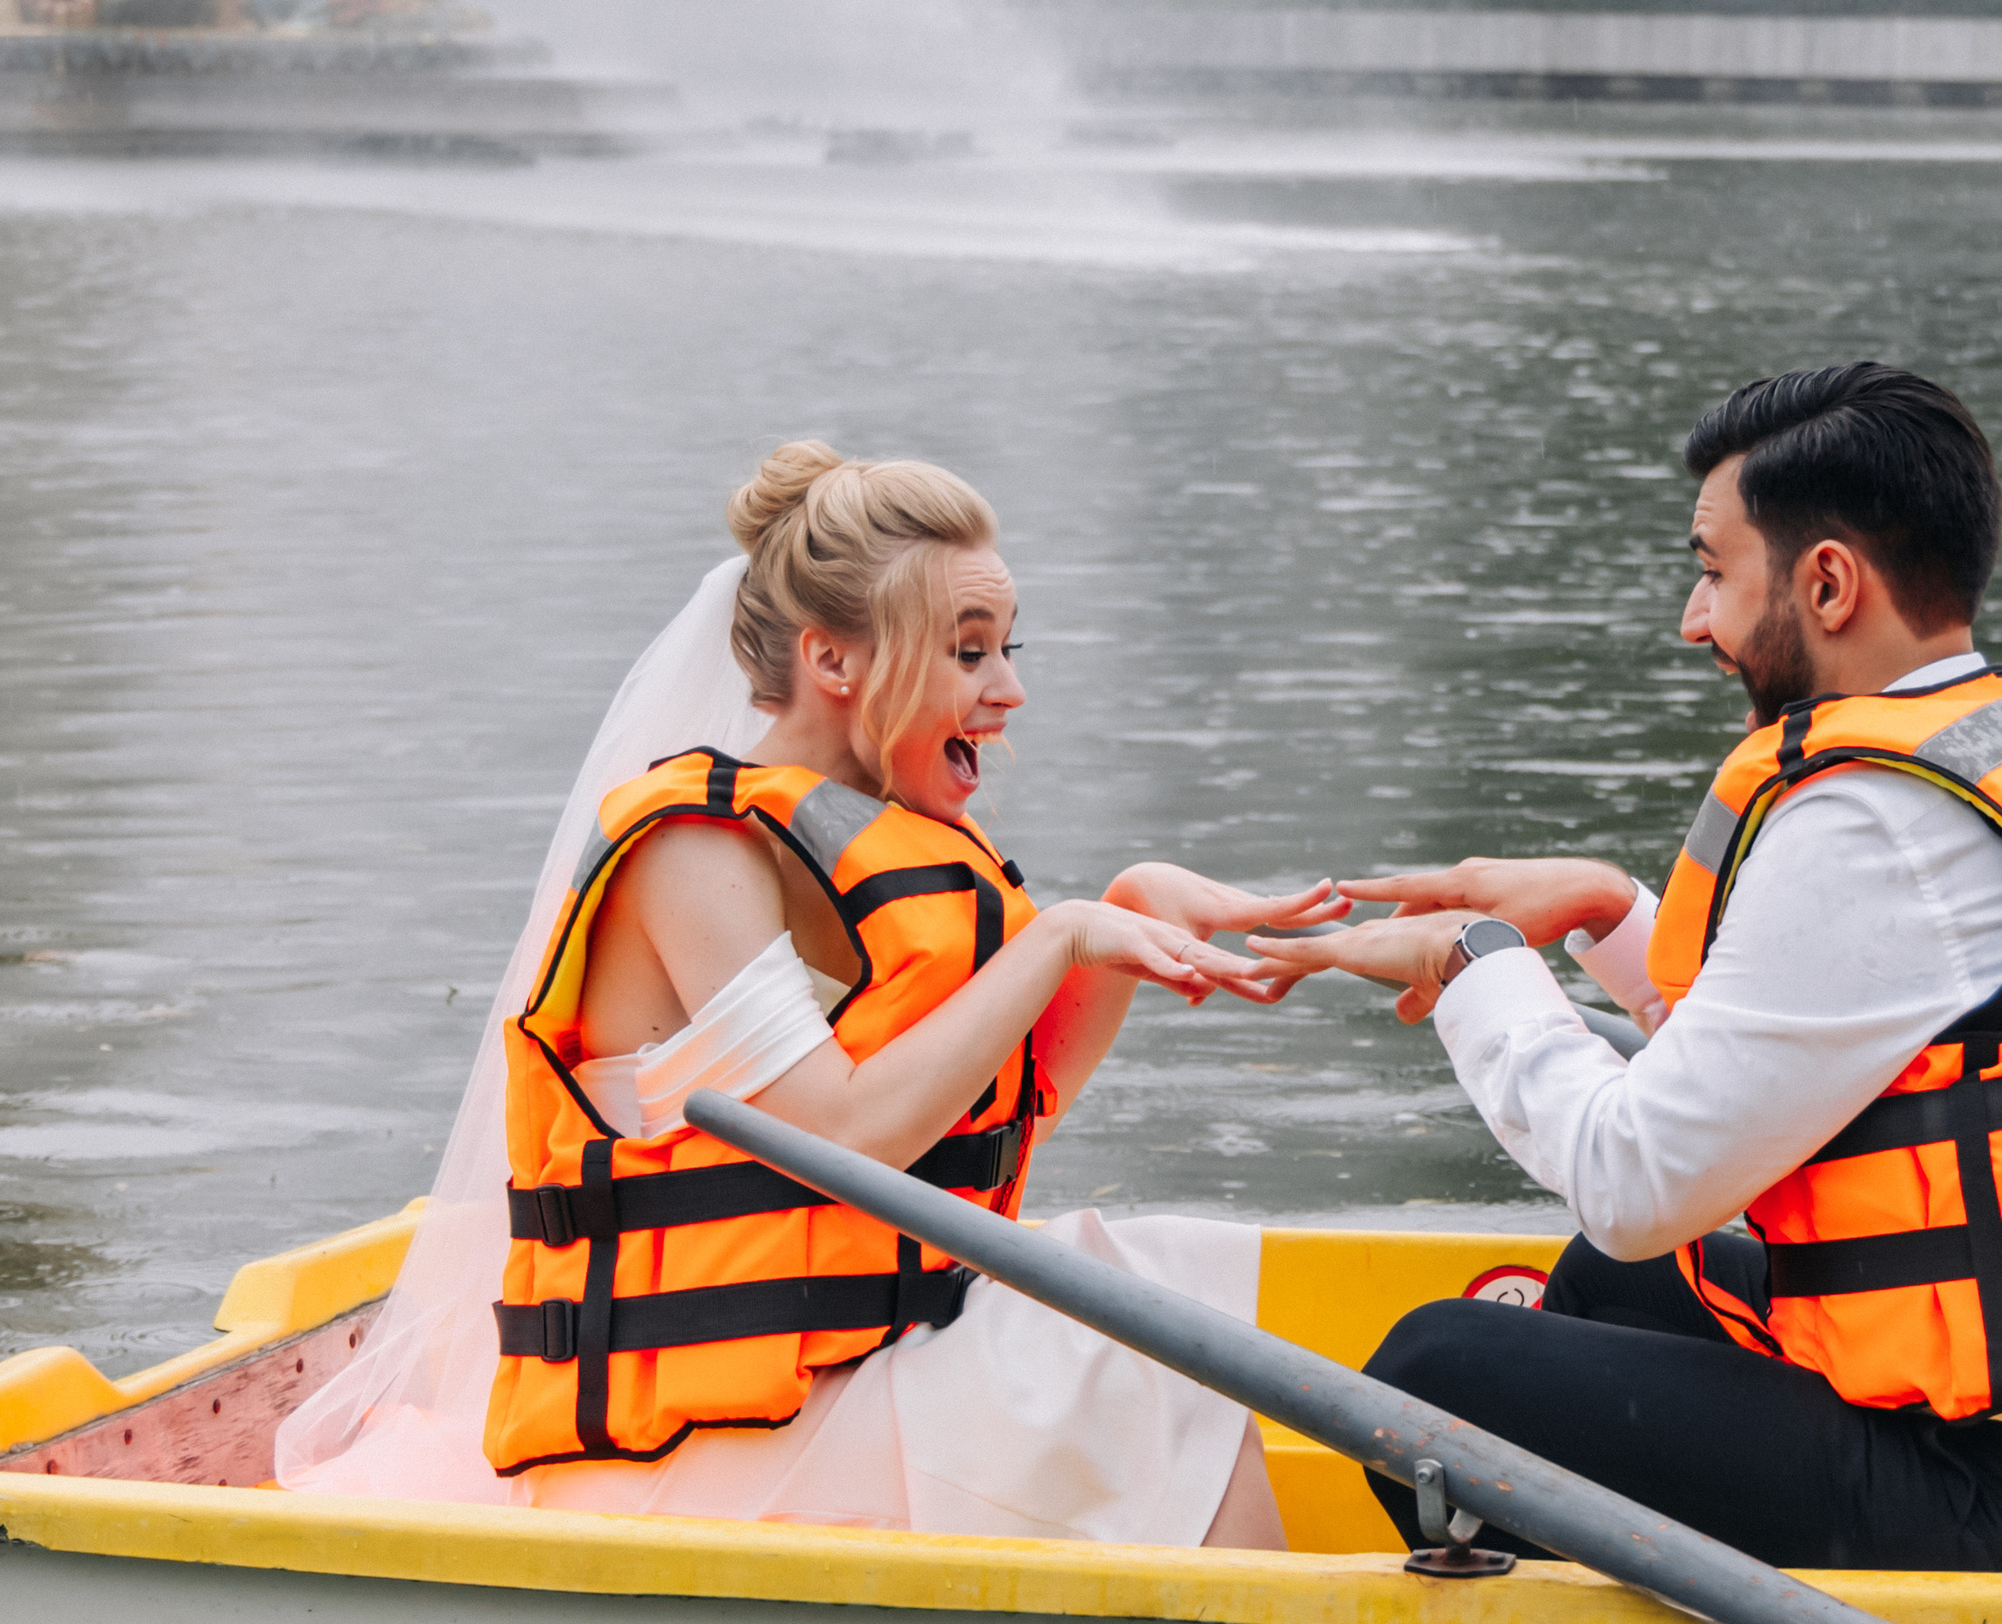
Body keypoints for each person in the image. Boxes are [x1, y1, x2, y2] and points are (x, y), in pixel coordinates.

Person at [1252, 363, 2002, 1578]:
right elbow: (1820, 1046)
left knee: (1433, 1378)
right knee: (1616, 1278)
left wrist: (1472, 962)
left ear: (1826, 583)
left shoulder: (1874, 822)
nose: (1692, 620)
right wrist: (1607, 910)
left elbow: (1633, 1175)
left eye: (1713, 571)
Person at [280, 444, 1340, 1546]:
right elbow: (847, 1135)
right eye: (967, 651)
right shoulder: (694, 852)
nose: (1009, 689)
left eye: (1006, 648)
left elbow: (993, 1120)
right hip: (684, 1450)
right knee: (1140, 1364)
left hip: (851, 1360)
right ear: (832, 657)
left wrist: (1130, 912)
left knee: (1153, 1307)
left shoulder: (880, 847)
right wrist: (1064, 933)